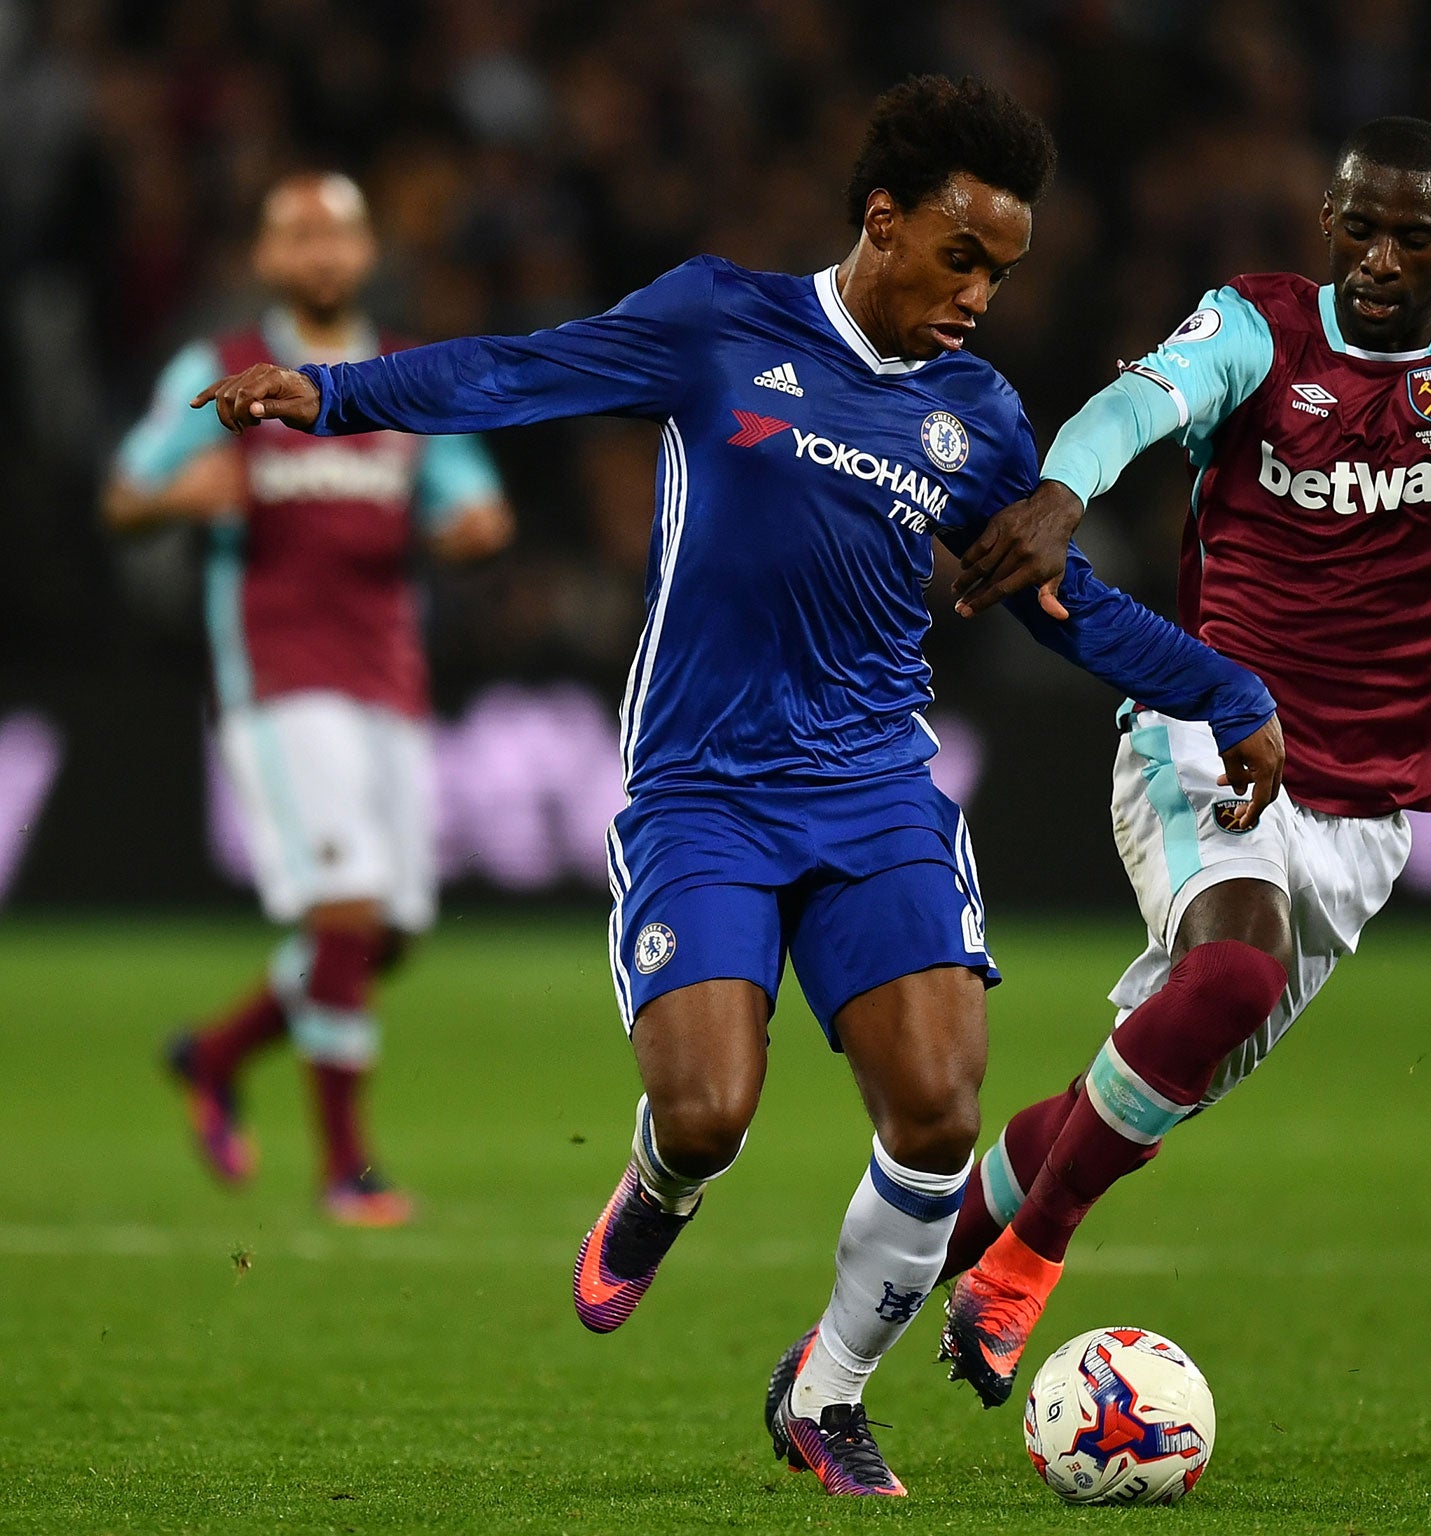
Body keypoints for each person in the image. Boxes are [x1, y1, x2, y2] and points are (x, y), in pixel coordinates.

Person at [191, 78, 1283, 1497]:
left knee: (941, 1111)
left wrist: (1230, 690)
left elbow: (1056, 605)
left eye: (1002, 274)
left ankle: (823, 1395)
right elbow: (521, 371)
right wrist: (334, 396)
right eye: (961, 258)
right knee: (709, 1110)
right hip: (702, 792)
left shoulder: (979, 418)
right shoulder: (720, 321)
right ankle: (658, 1188)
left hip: (876, 789)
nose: (979, 297)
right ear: (881, 223)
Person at [935, 116, 1431, 1407]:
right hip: (1216, 732)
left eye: (1411, 238)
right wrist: (1058, 499)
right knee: (1234, 968)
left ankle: (897, 1273)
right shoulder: (1258, 327)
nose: (1379, 258)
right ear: (1328, 224)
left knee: (1152, 1079)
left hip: (1370, 812)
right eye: (1359, 228)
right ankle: (1027, 1261)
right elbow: (1136, 407)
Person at [107, 173, 512, 1228]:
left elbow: (473, 500)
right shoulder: (224, 366)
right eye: (297, 235)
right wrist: (169, 496)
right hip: (279, 678)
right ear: (267, 255)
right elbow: (123, 494)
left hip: (389, 678)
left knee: (386, 932)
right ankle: (346, 1170)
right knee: (346, 911)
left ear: (367, 252)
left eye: (337, 234)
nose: (320, 252)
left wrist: (468, 527)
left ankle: (213, 1054)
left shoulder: (398, 375)